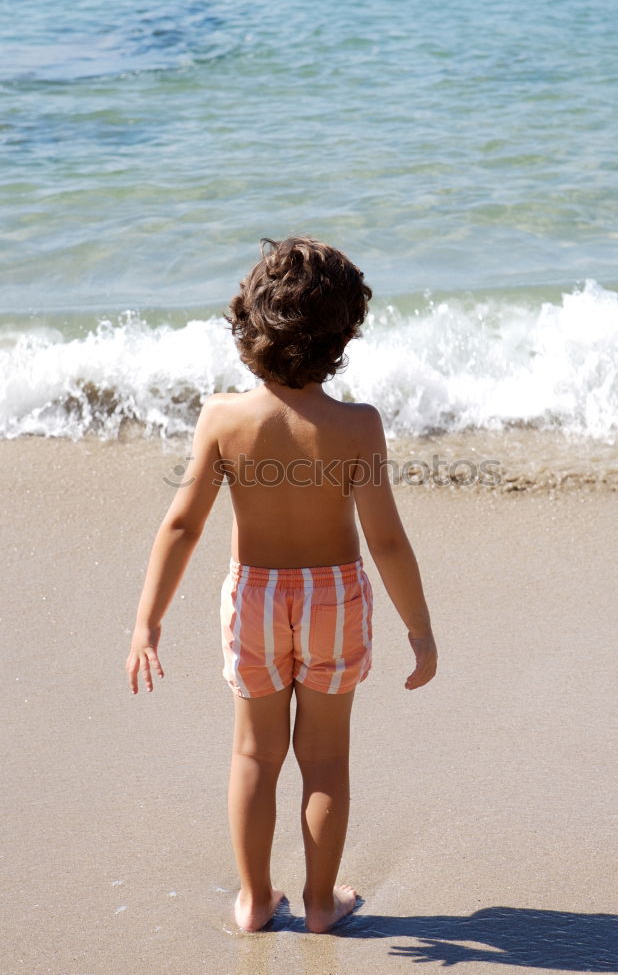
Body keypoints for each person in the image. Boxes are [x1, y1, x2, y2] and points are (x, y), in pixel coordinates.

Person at [125, 236, 438, 934]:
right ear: (343, 334)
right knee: (324, 756)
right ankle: (323, 903)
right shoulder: (358, 426)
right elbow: (386, 540)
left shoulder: (224, 418)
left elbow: (182, 526)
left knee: (253, 755)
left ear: (247, 324)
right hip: (335, 600)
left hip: (257, 599)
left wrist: (148, 622)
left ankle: (256, 900)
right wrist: (419, 629)